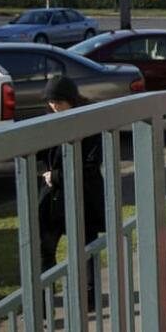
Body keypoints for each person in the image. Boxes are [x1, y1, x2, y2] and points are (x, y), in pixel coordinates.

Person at [37, 77, 106, 296]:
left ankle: (89, 294)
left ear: (71, 100)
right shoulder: (47, 122)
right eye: (51, 102)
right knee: (44, 249)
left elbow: (90, 165)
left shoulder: (88, 122)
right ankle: (45, 300)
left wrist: (54, 175)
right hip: (52, 199)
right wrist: (45, 173)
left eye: (59, 101)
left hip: (81, 198)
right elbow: (37, 155)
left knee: (86, 249)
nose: (54, 106)